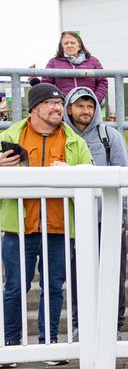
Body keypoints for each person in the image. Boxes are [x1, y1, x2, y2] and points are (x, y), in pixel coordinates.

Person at [0, 84, 93, 354]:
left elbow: (92, 175)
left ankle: (49, 345)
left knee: (53, 288)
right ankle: (11, 346)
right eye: (51, 103)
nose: (58, 108)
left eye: (60, 103)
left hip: (60, 228)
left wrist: (73, 172)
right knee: (15, 288)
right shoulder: (8, 137)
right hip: (19, 228)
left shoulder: (75, 141)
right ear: (35, 108)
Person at [64, 87, 128, 334]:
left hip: (106, 218)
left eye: (90, 106)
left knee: (113, 273)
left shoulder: (109, 135)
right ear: (69, 108)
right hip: (74, 220)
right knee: (78, 274)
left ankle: (114, 326)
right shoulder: (63, 136)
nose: (86, 111)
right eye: (80, 106)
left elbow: (122, 176)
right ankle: (81, 325)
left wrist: (121, 215)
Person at [35, 31, 109, 110]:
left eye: (73, 43)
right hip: (65, 106)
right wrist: (59, 101)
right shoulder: (53, 62)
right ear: (61, 46)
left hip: (88, 105)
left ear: (79, 45)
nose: (69, 45)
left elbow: (103, 82)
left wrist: (95, 99)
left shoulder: (93, 61)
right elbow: (46, 84)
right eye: (66, 43)